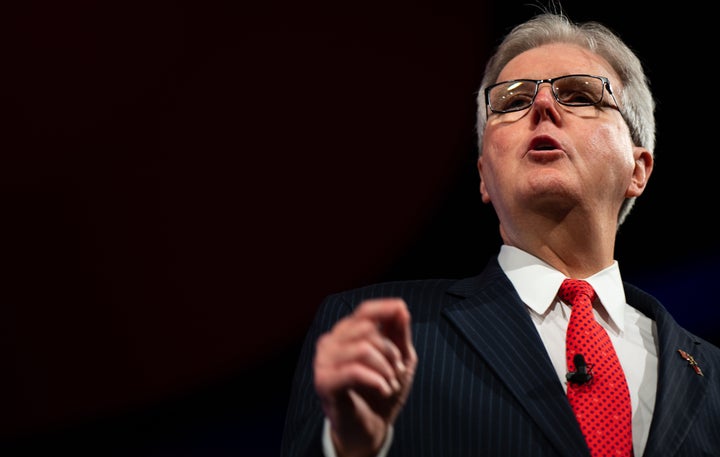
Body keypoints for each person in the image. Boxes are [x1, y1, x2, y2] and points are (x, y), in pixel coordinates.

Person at [280, 9, 720, 457]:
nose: (543, 106)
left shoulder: (712, 375)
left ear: (637, 169)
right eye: (511, 102)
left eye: (580, 94)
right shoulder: (379, 330)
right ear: (484, 176)